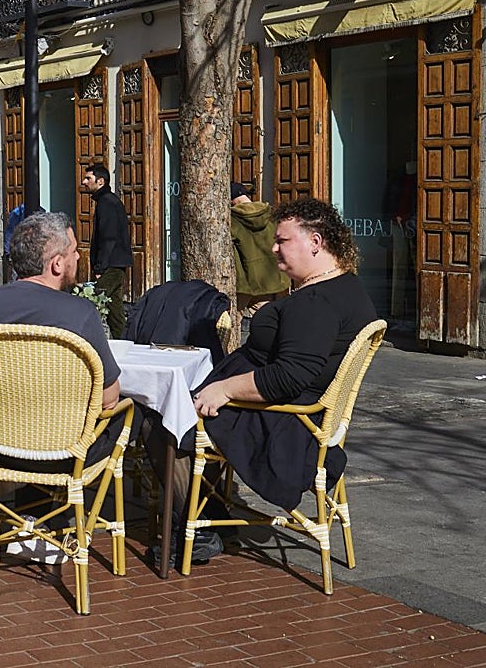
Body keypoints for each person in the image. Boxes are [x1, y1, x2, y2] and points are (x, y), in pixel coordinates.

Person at [148, 197, 377, 564]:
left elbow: (289, 376)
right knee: (181, 412)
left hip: (287, 421)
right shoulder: (344, 287)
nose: (273, 247)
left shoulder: (317, 302)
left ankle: (198, 528)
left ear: (316, 242)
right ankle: (213, 518)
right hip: (299, 412)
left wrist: (224, 388)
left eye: (282, 240)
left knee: (166, 427)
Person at [0, 211, 127, 498]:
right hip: (64, 453)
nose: (79, 258)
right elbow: (109, 399)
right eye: (74, 251)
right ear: (57, 263)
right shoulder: (80, 314)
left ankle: (25, 511)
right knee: (135, 412)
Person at [81, 164, 132, 338]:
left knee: (91, 302)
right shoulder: (107, 201)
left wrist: (100, 268)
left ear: (100, 181)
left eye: (88, 178)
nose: (84, 181)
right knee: (115, 309)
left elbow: (108, 237)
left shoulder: (107, 203)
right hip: (115, 263)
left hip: (111, 264)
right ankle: (123, 341)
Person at [230, 181, 288, 314]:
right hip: (278, 279)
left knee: (236, 322)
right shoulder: (271, 214)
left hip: (249, 284)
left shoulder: (232, 220)